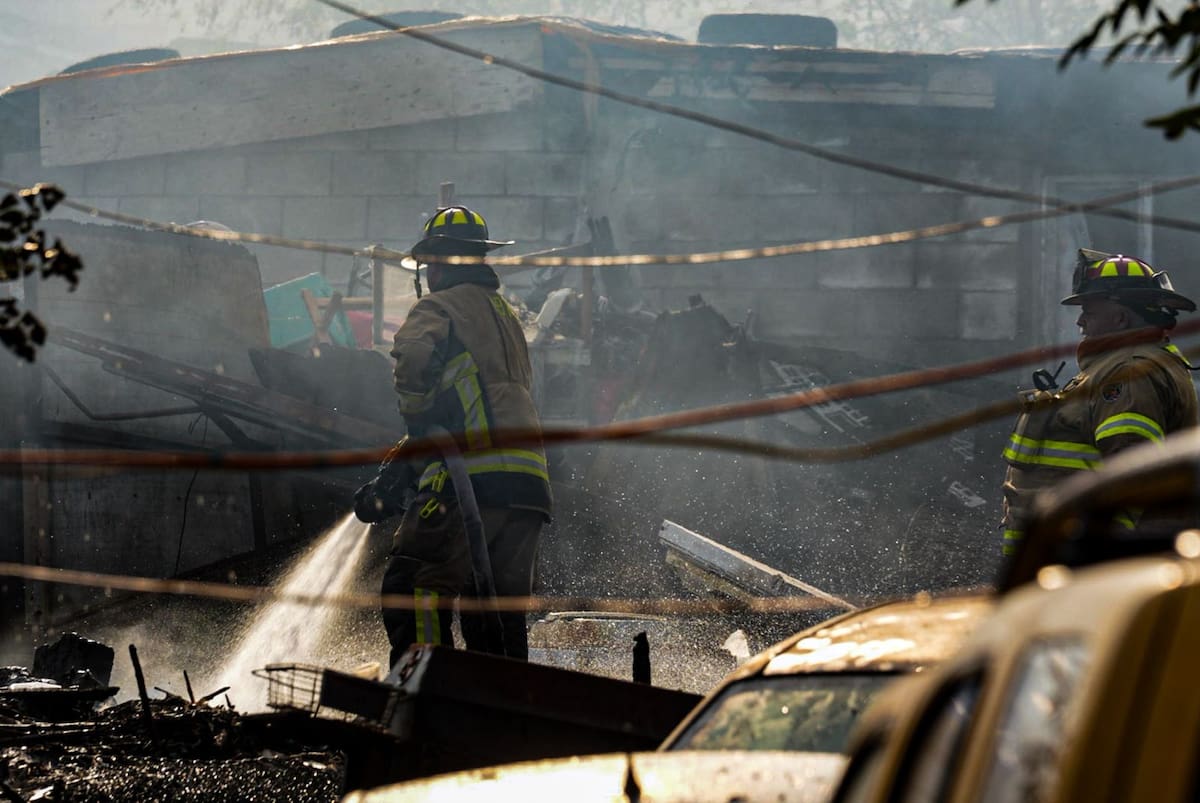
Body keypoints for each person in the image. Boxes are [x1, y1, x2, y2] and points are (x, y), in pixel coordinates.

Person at [357, 205, 552, 669]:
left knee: (414, 586)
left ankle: (431, 696)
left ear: (437, 263)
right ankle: (502, 713)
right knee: (496, 613)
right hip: (527, 488)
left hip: (472, 479)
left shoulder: (439, 307)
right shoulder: (505, 316)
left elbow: (411, 356)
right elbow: (480, 398)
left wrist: (417, 424)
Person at [1000, 249, 1198, 556]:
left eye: (1090, 311)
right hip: (1065, 552)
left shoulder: (1129, 371)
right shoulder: (1112, 367)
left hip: (1088, 554)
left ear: (1120, 317)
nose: (1080, 320)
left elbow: (1132, 470)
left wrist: (1101, 556)